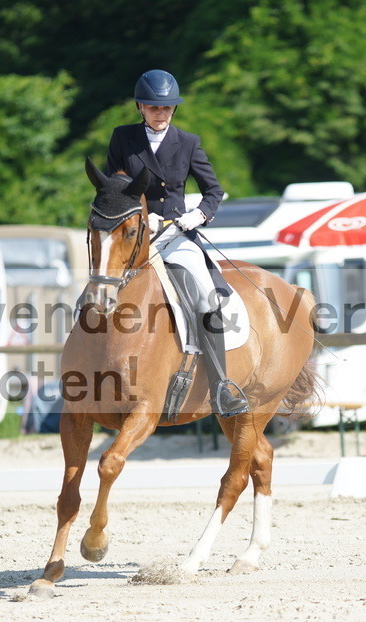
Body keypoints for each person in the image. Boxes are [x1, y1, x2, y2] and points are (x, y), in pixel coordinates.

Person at [104, 69, 249, 417]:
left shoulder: (188, 143)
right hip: (136, 235)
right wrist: (136, 215)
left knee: (205, 294)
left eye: (167, 108)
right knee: (102, 283)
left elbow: (213, 191)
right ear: (141, 107)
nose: (161, 113)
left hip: (174, 235)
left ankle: (220, 386)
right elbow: (111, 187)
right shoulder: (123, 138)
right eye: (154, 107)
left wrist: (198, 215)